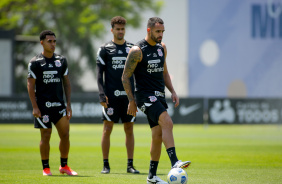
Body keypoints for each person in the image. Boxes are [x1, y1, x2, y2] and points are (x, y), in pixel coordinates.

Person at [122, 17, 191, 184]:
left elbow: (164, 73)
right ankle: (175, 161)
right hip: (144, 96)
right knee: (167, 122)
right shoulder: (137, 51)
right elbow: (125, 76)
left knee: (157, 134)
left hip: (159, 95)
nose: (161, 35)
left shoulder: (162, 48)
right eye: (158, 31)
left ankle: (151, 176)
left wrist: (173, 91)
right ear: (149, 30)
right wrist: (131, 101)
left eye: (162, 32)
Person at [27, 30, 77, 176]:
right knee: (46, 135)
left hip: (59, 106)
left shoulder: (61, 60)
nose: (53, 44)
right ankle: (46, 168)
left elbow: (66, 83)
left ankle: (64, 166)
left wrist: (68, 104)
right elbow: (30, 85)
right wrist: (35, 107)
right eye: (49, 41)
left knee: (65, 135)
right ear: (42, 42)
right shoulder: (35, 62)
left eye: (54, 41)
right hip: (43, 107)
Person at [96, 16, 139, 174]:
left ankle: (130, 165)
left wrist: (135, 97)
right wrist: (102, 94)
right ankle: (105, 165)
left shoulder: (132, 49)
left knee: (129, 128)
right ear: (112, 29)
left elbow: (137, 74)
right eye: (117, 29)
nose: (120, 31)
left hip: (128, 98)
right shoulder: (104, 49)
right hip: (111, 97)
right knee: (107, 128)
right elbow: (99, 74)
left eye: (122, 29)